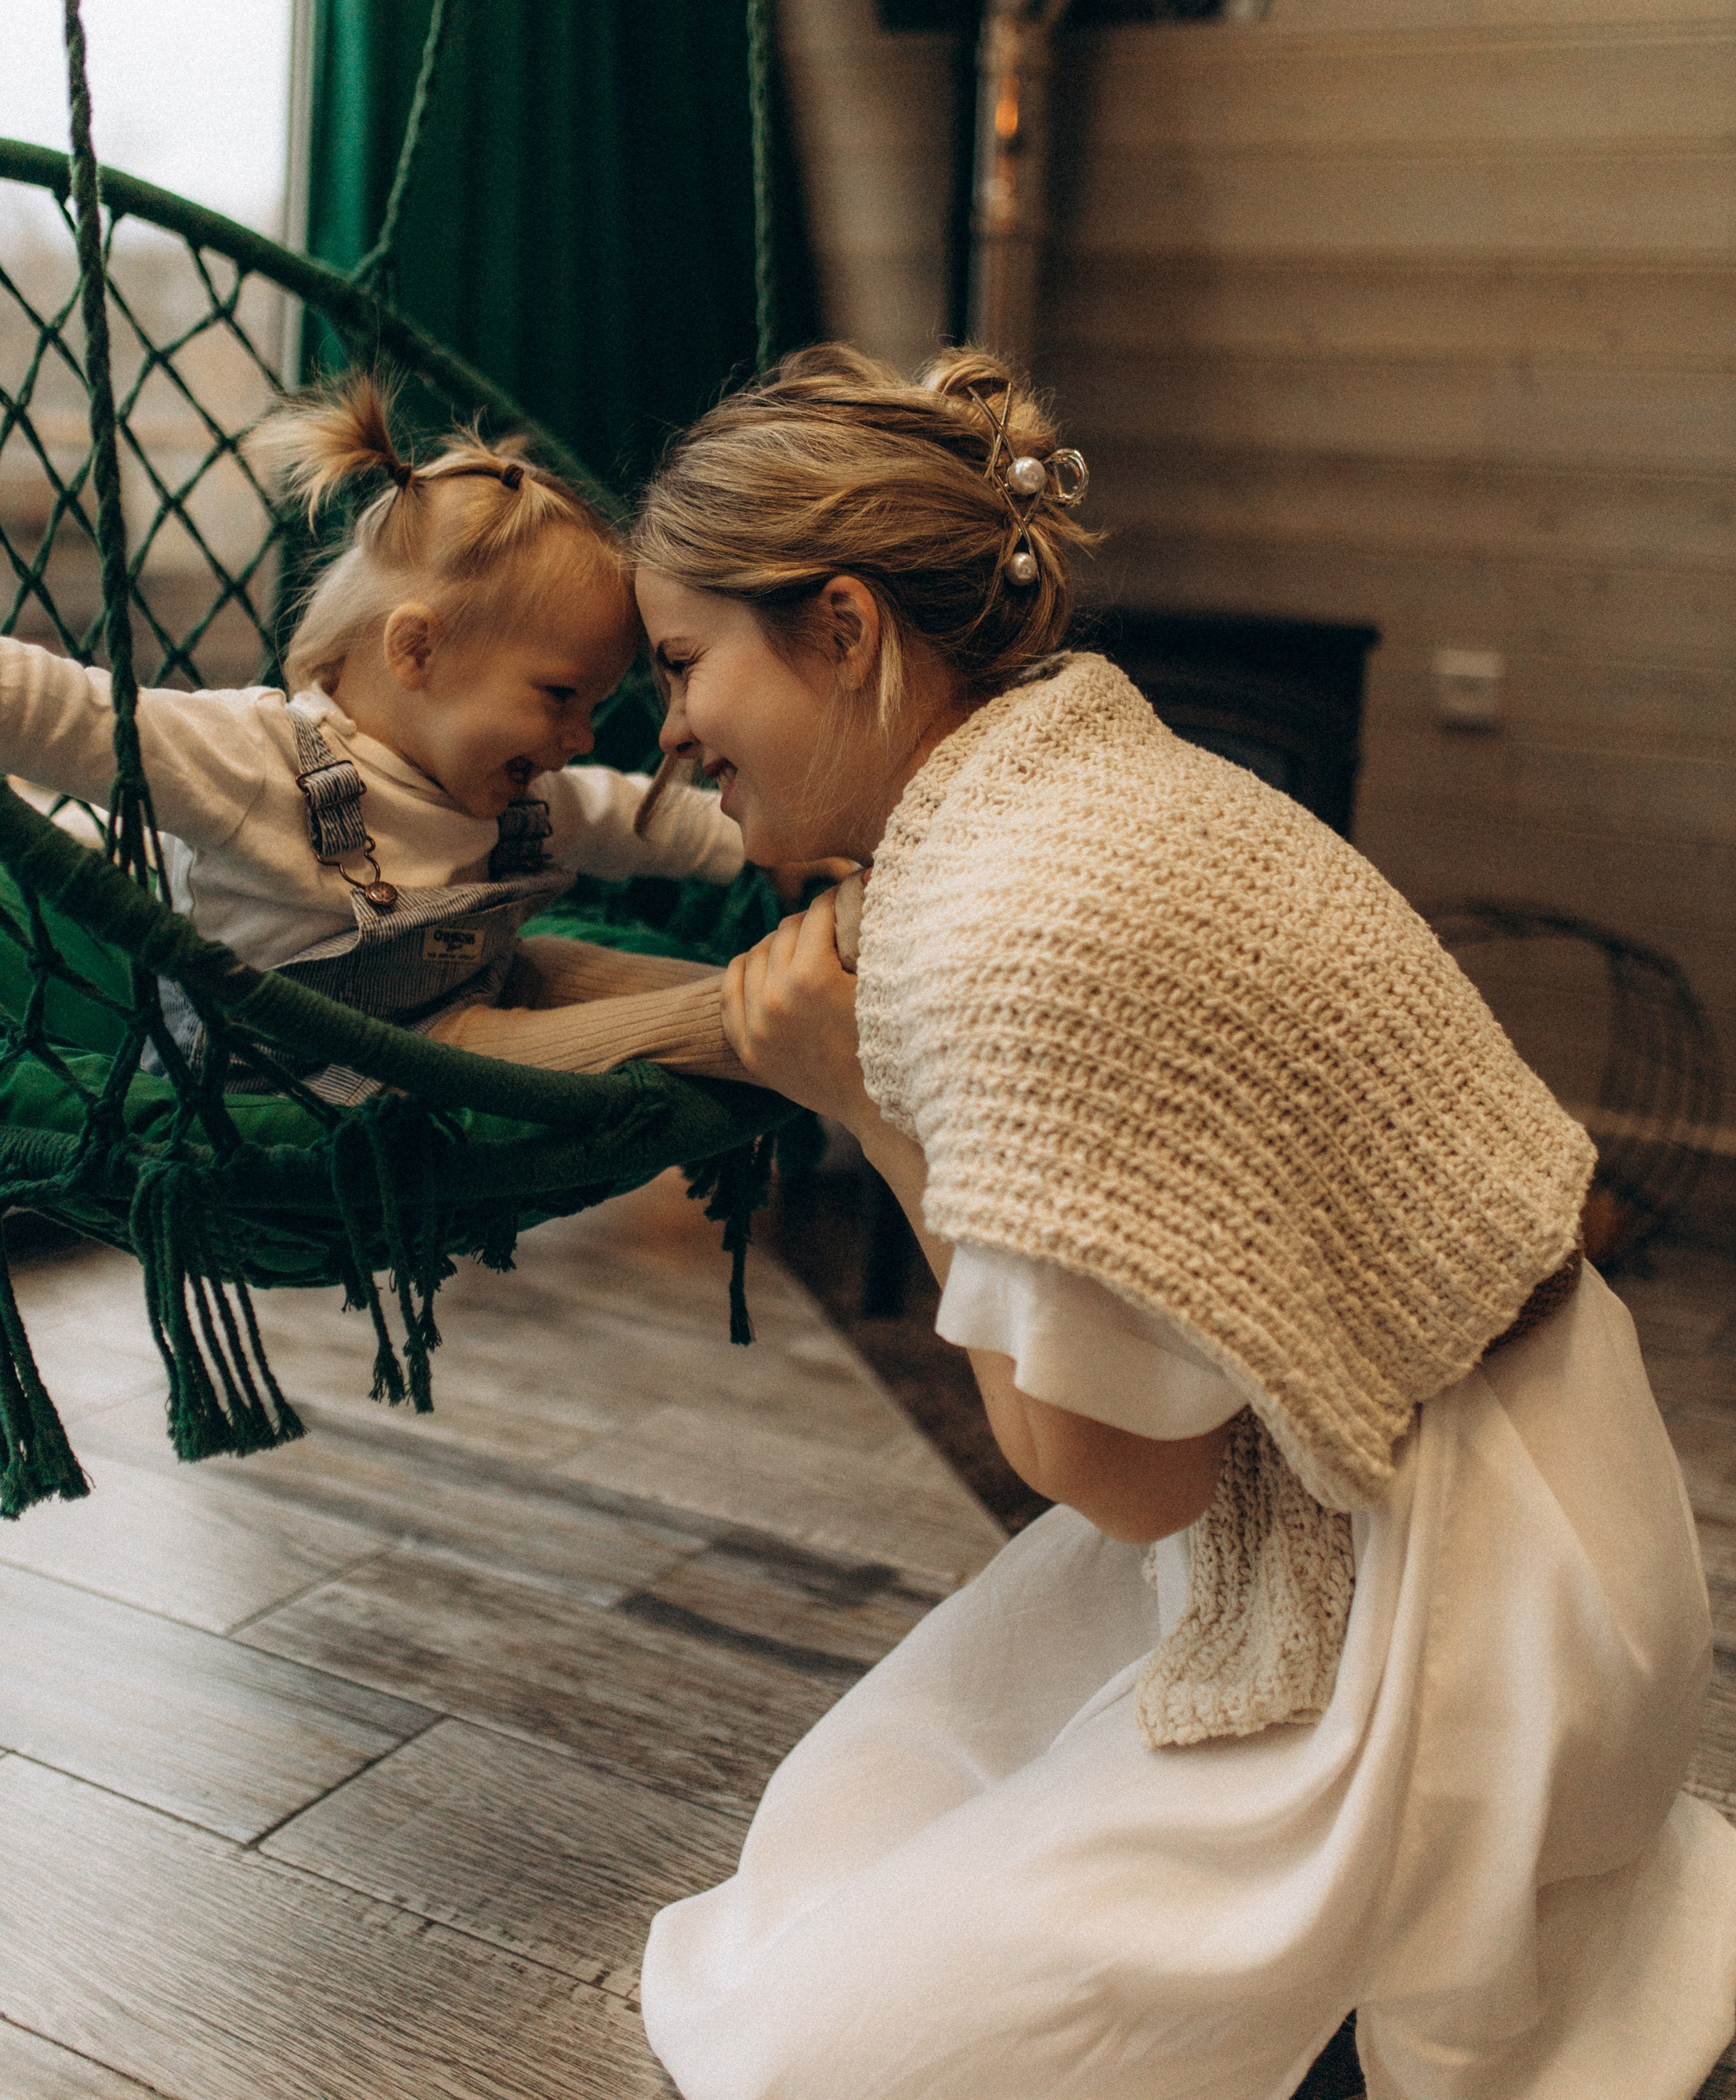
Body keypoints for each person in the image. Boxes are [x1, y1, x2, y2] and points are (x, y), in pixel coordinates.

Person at [630, 342, 1736, 2100]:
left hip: (1474, 1616)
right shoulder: (1081, 781)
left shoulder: (1012, 920)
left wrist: (861, 1106)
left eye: (684, 664)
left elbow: (1122, 1475)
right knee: (856, 1808)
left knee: (806, 2055)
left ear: (839, 630)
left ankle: (1409, 1958)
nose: (670, 729)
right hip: (1495, 1493)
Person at [0, 375, 757, 1090]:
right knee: (716, 1029)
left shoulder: (512, 799)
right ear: (417, 650)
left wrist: (763, 842)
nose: (582, 736)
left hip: (455, 1007)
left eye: (590, 706)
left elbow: (630, 818)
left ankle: (770, 1005)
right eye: (561, 696)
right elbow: (70, 710)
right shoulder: (260, 761)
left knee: (592, 971)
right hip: (293, 1079)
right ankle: (765, 1030)